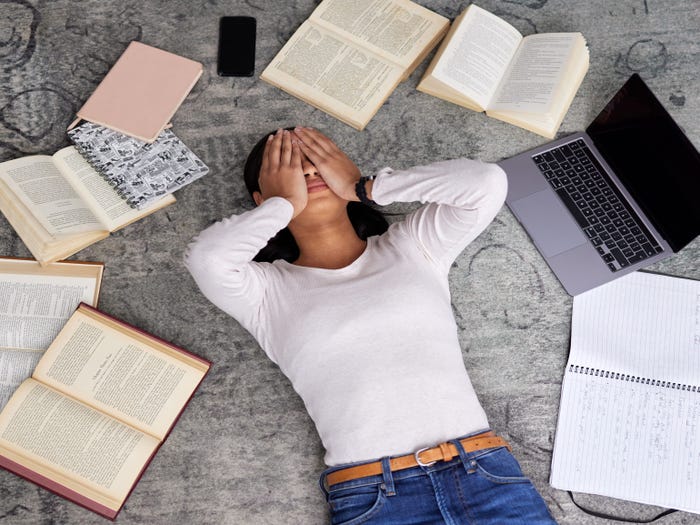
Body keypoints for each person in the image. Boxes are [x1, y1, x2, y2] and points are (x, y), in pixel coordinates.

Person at [185, 127, 556, 524]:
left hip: (482, 472)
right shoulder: (262, 292)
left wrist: (366, 187)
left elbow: (486, 182)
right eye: (291, 169)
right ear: (261, 201)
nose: (309, 173)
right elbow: (206, 258)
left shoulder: (414, 246)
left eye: (317, 161)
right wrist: (282, 205)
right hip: (376, 498)